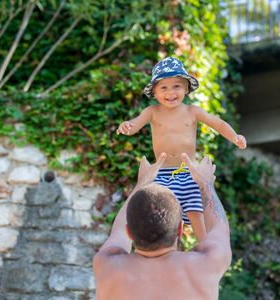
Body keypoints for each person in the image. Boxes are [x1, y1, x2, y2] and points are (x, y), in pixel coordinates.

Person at [116, 56, 246, 241]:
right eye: (164, 87)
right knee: (164, 219)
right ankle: (169, 253)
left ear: (186, 87)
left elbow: (217, 123)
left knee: (196, 214)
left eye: (177, 86)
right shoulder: (152, 112)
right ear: (154, 92)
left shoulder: (192, 111)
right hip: (160, 175)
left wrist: (235, 137)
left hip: (187, 173)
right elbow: (134, 125)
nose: (171, 92)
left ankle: (204, 249)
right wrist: (126, 126)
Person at [93, 152, 232, 300]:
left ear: (129, 232)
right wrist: (205, 183)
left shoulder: (107, 265)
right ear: (180, 229)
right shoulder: (206, 264)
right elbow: (220, 227)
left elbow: (119, 230)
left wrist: (142, 182)